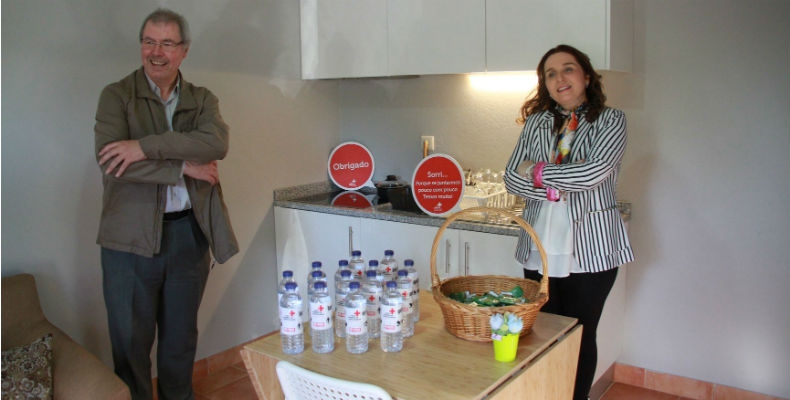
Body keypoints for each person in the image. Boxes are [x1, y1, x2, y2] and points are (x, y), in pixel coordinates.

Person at [94, 8, 238, 400]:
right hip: (128, 242)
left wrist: (144, 147)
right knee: (130, 344)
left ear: (183, 51)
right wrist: (182, 167)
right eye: (149, 42)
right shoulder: (116, 96)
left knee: (180, 341)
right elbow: (112, 162)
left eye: (167, 44)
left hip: (188, 235)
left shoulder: (201, 99)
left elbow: (216, 144)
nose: (156, 52)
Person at [503, 44, 634, 400]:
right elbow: (511, 178)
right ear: (545, 84)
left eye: (568, 69)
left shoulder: (611, 120)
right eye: (550, 73)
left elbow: (593, 173)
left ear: (586, 76)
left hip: (589, 250)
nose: (559, 78)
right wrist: (554, 178)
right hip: (539, 247)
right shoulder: (537, 122)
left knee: (579, 333)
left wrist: (537, 172)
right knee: (543, 333)